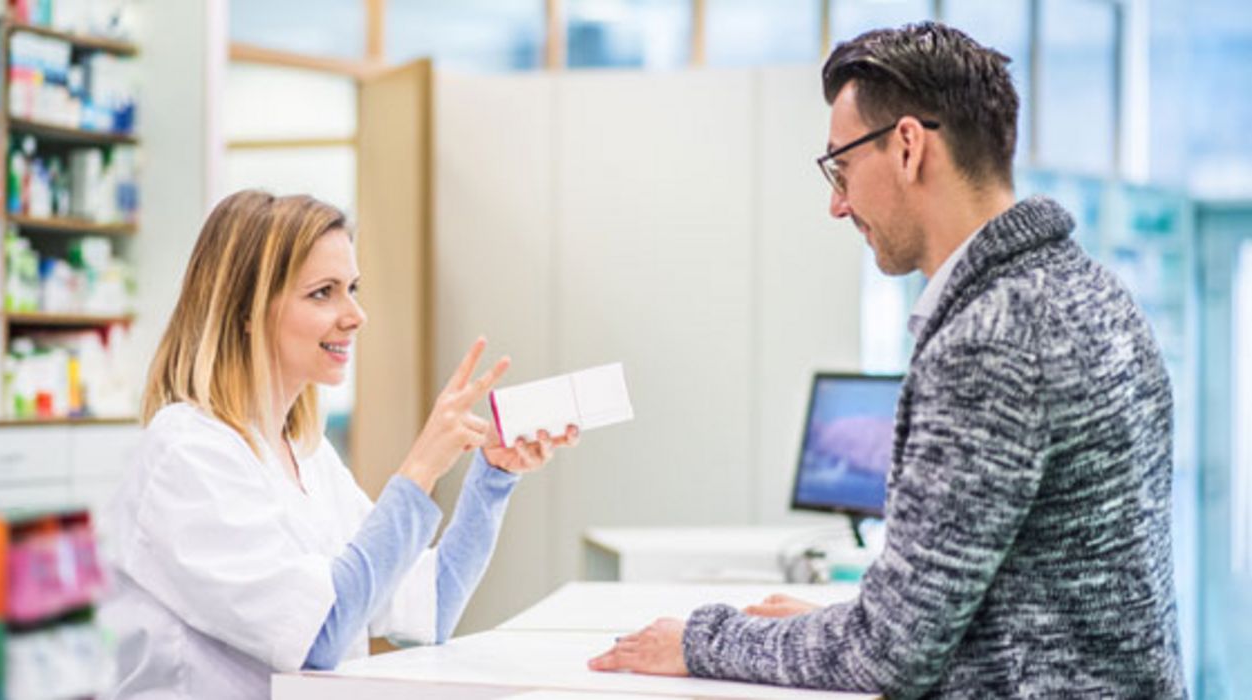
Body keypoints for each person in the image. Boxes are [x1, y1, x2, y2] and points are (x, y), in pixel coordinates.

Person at [589, 21, 1184, 698]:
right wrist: (856, 626)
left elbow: (888, 657)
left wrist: (700, 641)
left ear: (906, 146)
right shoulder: (1089, 292)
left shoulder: (991, 339)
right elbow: (992, 608)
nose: (837, 205)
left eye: (840, 168)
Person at [103, 190, 578, 698]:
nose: (355, 315)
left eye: (352, 287)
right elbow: (318, 636)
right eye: (322, 292)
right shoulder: (186, 453)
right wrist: (419, 470)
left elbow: (432, 604)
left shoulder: (305, 453)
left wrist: (492, 478)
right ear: (245, 310)